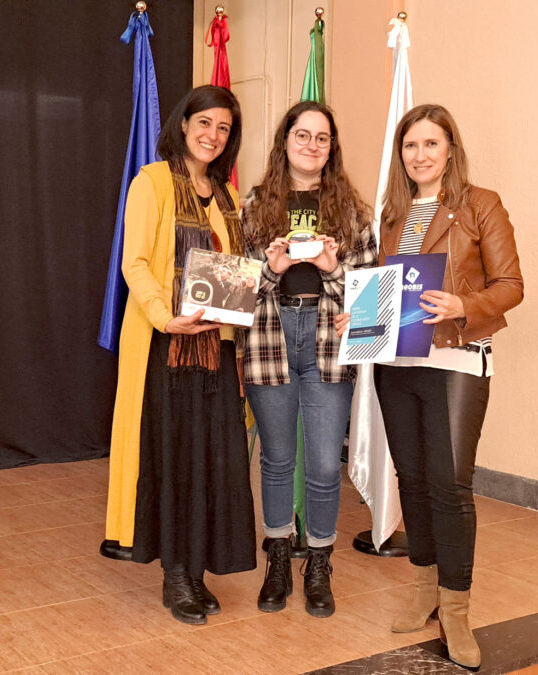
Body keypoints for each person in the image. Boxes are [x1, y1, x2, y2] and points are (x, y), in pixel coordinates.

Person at [335, 104, 522, 667]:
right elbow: (385, 289)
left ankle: (457, 610)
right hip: (397, 362)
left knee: (450, 485)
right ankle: (423, 591)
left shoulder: (480, 205)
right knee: (412, 480)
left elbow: (511, 285)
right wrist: (358, 318)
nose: (420, 156)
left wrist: (465, 303)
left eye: (431, 145)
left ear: (450, 151)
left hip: (457, 360)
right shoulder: (391, 215)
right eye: (410, 146)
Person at [104, 85, 256, 625]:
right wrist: (164, 316)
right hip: (167, 346)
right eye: (205, 123)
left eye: (224, 128)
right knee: (174, 458)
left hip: (219, 349)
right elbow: (136, 262)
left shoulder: (229, 196)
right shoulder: (152, 182)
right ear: (184, 122)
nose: (213, 135)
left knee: (211, 459)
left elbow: (237, 270)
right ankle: (175, 573)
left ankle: (196, 570)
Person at [242, 101, 377, 618]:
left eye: (322, 138)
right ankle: (278, 558)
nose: (312, 145)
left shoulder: (352, 210)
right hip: (271, 336)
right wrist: (272, 270)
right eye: (303, 135)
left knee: (323, 465)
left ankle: (318, 563)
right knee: (276, 460)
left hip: (327, 339)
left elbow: (367, 297)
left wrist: (331, 268)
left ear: (331, 148)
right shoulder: (256, 204)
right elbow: (239, 292)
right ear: (285, 142)